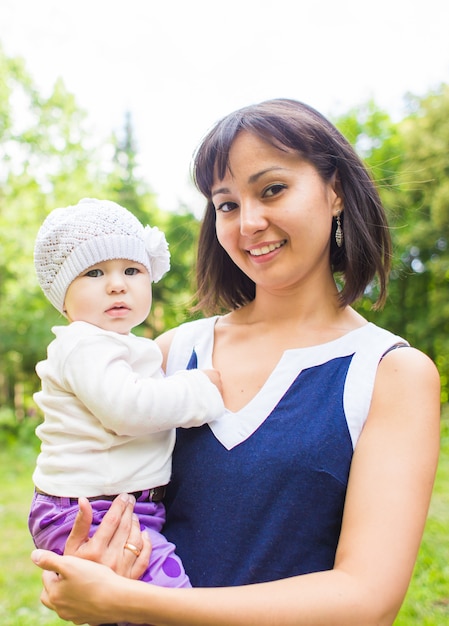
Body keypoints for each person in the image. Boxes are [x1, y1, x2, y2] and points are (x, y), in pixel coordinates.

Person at [31, 99, 440, 626]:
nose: (249, 222)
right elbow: (86, 491)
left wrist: (132, 601)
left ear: (334, 191)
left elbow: (366, 599)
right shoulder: (170, 354)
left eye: (272, 189)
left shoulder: (389, 373)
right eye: (226, 204)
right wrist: (86, 565)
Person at [29, 198, 225, 598]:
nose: (117, 284)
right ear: (63, 301)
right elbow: (128, 409)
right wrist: (199, 389)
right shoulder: (84, 344)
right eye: (95, 272)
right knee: (168, 603)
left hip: (118, 503)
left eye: (132, 270)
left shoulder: (119, 345)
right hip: (87, 509)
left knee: (138, 605)